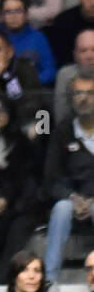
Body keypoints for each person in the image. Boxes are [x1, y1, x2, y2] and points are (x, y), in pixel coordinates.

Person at [43, 75, 94, 279]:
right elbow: (51, 178)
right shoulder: (62, 131)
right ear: (71, 98)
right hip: (72, 200)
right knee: (61, 208)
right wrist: (73, 197)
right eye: (78, 93)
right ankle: (50, 280)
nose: (84, 98)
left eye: (90, 93)